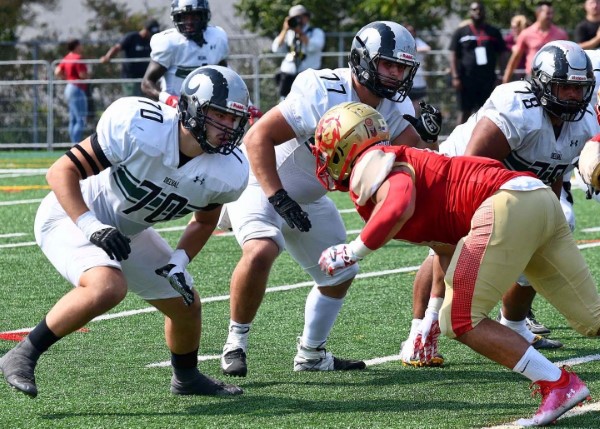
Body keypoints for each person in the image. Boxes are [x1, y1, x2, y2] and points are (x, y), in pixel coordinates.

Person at [315, 101, 598, 427]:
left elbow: (397, 205)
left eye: (326, 150)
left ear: (346, 146)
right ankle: (559, 384)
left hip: (506, 204)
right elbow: (446, 249)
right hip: (537, 197)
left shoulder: (376, 165)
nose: (323, 159)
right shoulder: (398, 159)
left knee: (462, 320)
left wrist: (352, 252)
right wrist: (429, 320)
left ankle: (559, 384)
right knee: (592, 319)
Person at [0, 65, 251, 398]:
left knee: (185, 303)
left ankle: (186, 379)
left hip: (127, 230)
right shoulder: (140, 126)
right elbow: (61, 172)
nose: (228, 128)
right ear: (192, 108)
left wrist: (179, 260)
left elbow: (205, 222)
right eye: (220, 115)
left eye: (235, 119)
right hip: (72, 213)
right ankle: (22, 354)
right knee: (108, 286)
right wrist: (90, 226)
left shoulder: (229, 171)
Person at [218, 21, 442, 378]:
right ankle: (235, 343)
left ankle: (311, 353)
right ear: (362, 60)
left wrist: (427, 137)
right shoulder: (324, 89)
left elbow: (411, 156)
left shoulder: (396, 107)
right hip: (263, 183)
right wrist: (278, 197)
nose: (396, 74)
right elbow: (258, 137)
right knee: (262, 249)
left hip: (311, 196)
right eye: (388, 64)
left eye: (402, 66)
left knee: (341, 269)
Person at [401, 40, 598, 367]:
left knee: (544, 232)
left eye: (580, 89)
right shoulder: (518, 108)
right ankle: (423, 328)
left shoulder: (584, 122)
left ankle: (514, 326)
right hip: (458, 173)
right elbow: (468, 170)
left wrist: (543, 216)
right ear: (542, 84)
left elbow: (551, 170)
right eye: (564, 88)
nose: (574, 97)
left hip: (512, 184)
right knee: (450, 244)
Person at [141, 0, 228, 108]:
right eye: (184, 17)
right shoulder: (170, 43)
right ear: (176, 18)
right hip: (173, 109)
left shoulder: (216, 38)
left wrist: (247, 104)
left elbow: (226, 77)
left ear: (204, 16)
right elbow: (146, 83)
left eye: (194, 17)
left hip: (207, 109)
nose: (189, 23)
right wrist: (169, 99)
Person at [449, 2, 506, 125]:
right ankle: (458, 142)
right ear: (469, 12)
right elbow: (453, 55)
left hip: (488, 80)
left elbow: (502, 54)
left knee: (487, 112)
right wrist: (455, 76)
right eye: (474, 10)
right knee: (465, 111)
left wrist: (501, 75)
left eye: (480, 9)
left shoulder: (493, 32)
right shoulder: (460, 32)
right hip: (466, 80)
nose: (477, 12)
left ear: (485, 12)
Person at [502, 2, 568, 84]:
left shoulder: (560, 34)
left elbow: (567, 57)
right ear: (538, 14)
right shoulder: (526, 33)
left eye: (552, 13)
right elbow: (515, 59)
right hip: (533, 77)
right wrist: (505, 81)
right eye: (547, 13)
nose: (550, 16)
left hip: (555, 78)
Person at [271, 4, 325, 101]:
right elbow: (276, 49)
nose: (298, 20)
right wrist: (284, 29)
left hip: (309, 76)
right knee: (285, 103)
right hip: (288, 75)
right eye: (294, 18)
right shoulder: (288, 33)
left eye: (300, 17)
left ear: (306, 17)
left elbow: (314, 47)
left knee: (310, 101)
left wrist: (300, 33)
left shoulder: (315, 32)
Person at [100, 19, 161, 96]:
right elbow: (117, 47)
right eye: (151, 32)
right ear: (145, 29)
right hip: (130, 79)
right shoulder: (132, 37)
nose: (152, 35)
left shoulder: (151, 41)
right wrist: (107, 57)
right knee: (133, 99)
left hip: (145, 78)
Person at [54, 38, 89, 143]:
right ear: (76, 46)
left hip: (69, 87)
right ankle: (76, 145)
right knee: (81, 119)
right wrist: (89, 76)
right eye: (80, 45)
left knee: (73, 119)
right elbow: (82, 75)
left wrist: (66, 77)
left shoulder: (66, 58)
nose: (82, 47)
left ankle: (73, 143)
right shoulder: (78, 58)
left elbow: (57, 71)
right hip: (77, 88)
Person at [405, 23, 431, 115]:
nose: (410, 33)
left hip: (417, 79)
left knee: (416, 103)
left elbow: (427, 48)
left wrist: (413, 50)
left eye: (412, 31)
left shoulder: (417, 41)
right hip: (404, 77)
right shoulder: (403, 41)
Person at [502, 15, 529, 82]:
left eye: (515, 27)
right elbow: (502, 45)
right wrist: (512, 47)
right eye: (512, 27)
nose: (513, 30)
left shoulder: (527, 37)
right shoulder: (510, 38)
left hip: (525, 71)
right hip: (513, 72)